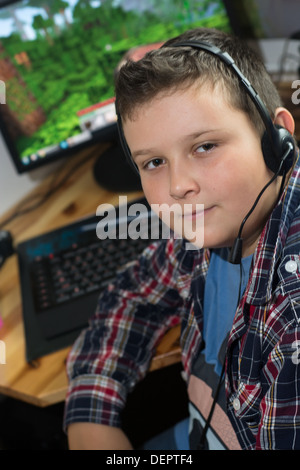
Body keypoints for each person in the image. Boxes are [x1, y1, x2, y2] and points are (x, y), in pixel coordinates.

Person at [63, 27, 300, 450]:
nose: (178, 185)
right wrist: (90, 415)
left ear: (276, 140)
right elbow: (132, 294)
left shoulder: (293, 313)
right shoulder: (210, 225)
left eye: (204, 146)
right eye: (154, 161)